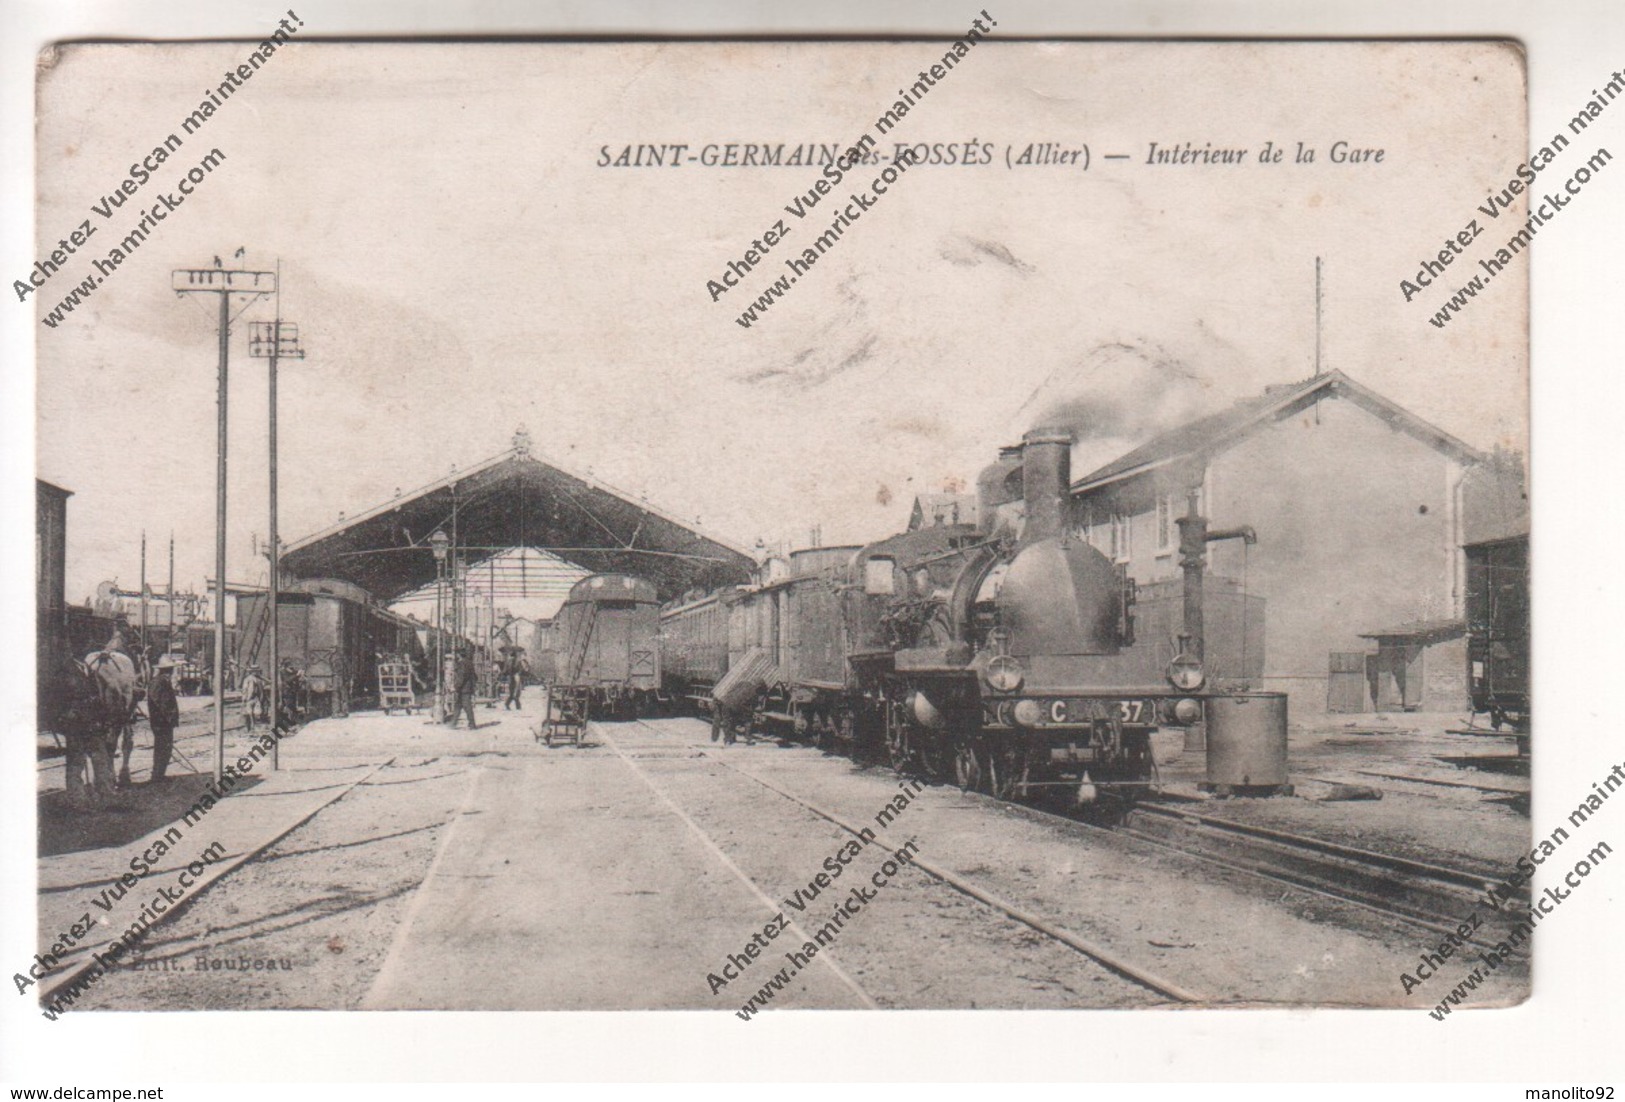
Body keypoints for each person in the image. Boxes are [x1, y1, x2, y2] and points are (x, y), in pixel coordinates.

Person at [147, 658, 180, 783]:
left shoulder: (161, 681)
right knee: (162, 748)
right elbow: (159, 702)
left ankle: (160, 774)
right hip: (161, 722)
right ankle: (157, 776)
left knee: (165, 748)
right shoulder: (159, 682)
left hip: (163, 722)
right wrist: (169, 717)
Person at [447, 645, 479, 730]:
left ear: (459, 654)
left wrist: (455, 687)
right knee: (458, 706)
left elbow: (461, 677)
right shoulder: (469, 662)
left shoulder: (461, 664)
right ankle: (453, 723)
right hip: (467, 688)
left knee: (467, 707)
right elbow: (475, 676)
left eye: (456, 654)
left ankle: (472, 725)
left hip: (463, 689)